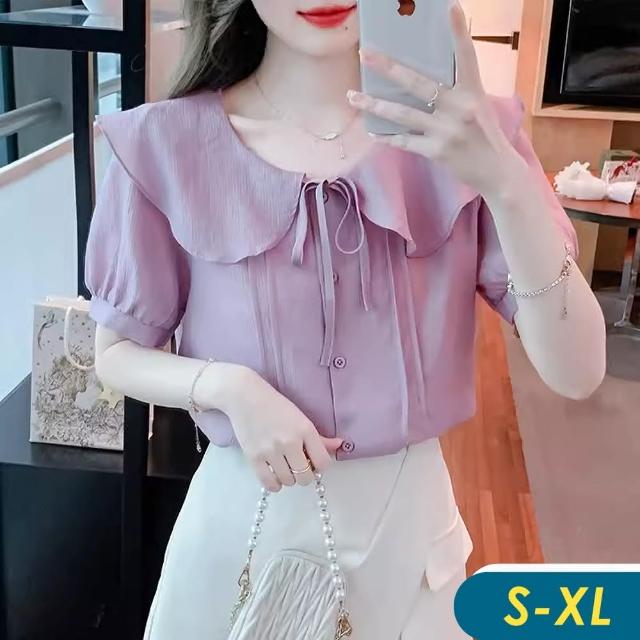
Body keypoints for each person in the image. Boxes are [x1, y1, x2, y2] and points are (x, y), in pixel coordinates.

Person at [84, 1, 606, 638]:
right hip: (240, 541)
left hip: (410, 546)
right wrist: (228, 388)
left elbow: (578, 373)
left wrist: (506, 182)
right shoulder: (163, 145)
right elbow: (114, 353)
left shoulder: (474, 140)